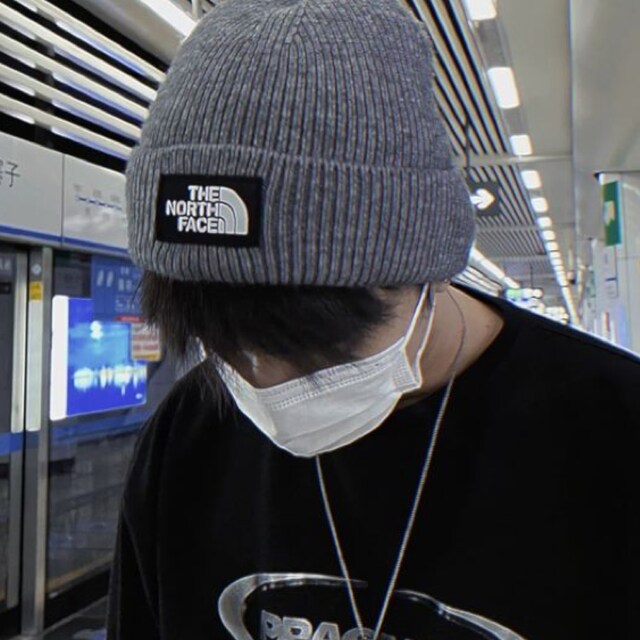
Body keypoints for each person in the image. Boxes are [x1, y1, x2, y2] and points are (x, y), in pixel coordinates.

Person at [107, 0, 639, 638]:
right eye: (224, 341)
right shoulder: (189, 435)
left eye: (309, 346)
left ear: (424, 272)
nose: (263, 380)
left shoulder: (612, 436)